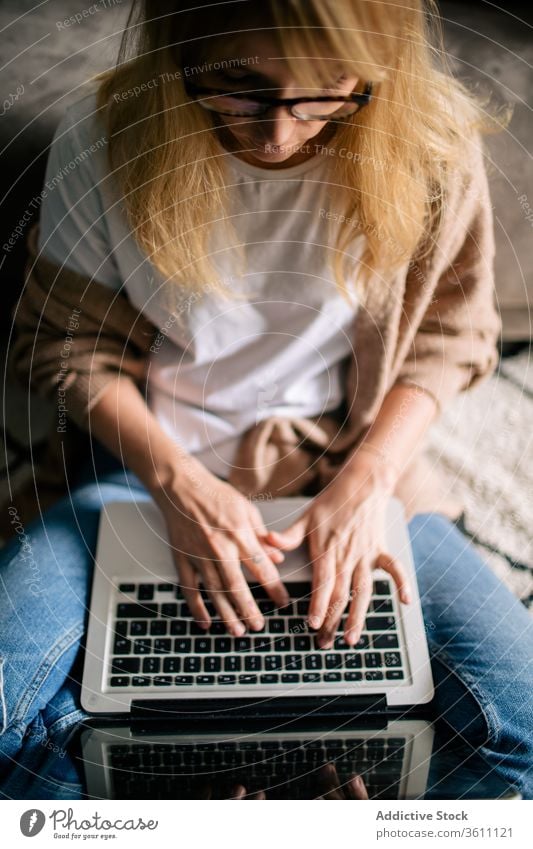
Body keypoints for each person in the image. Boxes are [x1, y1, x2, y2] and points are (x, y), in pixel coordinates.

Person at [1, 0, 532, 799]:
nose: (279, 134)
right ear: (179, 46)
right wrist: (179, 484)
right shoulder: (104, 133)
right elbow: (62, 343)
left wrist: (366, 484)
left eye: (327, 91)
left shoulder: (431, 142)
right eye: (237, 84)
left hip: (347, 466)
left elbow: (451, 339)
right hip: (139, 468)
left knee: (521, 736)